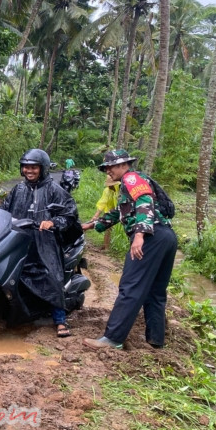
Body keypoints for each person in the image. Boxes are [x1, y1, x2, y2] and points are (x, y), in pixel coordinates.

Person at [81, 149, 177, 350]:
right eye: (106, 168)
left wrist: (140, 234)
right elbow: (120, 212)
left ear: (124, 165)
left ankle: (113, 338)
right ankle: (156, 340)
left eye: (111, 167)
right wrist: (93, 225)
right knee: (155, 291)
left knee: (131, 286)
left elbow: (145, 202)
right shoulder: (128, 187)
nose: (108, 171)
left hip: (152, 236)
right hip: (167, 236)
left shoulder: (131, 178)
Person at [0, 148, 79, 337]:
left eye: (34, 167)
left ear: (42, 168)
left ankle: (60, 320)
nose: (29, 171)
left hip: (44, 242)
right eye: (26, 167)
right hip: (18, 239)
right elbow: (3, 210)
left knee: (52, 276)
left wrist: (52, 222)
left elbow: (69, 214)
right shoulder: (18, 189)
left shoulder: (54, 189)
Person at [91, 175, 120, 250]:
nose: (110, 187)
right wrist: (96, 215)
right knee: (108, 228)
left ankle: (107, 246)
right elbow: (103, 202)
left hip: (119, 211)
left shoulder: (120, 189)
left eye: (111, 185)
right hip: (110, 210)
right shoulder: (107, 190)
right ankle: (106, 246)